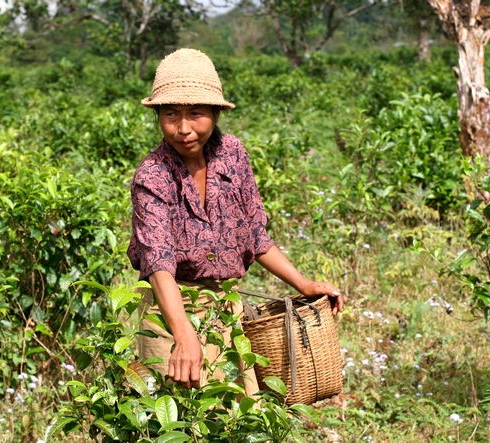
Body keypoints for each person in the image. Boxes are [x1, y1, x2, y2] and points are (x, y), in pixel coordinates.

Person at [128, 48, 344, 394]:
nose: (183, 128)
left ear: (215, 113)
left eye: (195, 113)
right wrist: (184, 336)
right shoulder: (152, 176)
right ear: (157, 115)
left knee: (233, 418)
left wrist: (303, 284)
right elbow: (158, 264)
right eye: (170, 114)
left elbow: (255, 237)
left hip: (227, 312)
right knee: (176, 421)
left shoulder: (232, 154)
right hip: (171, 316)